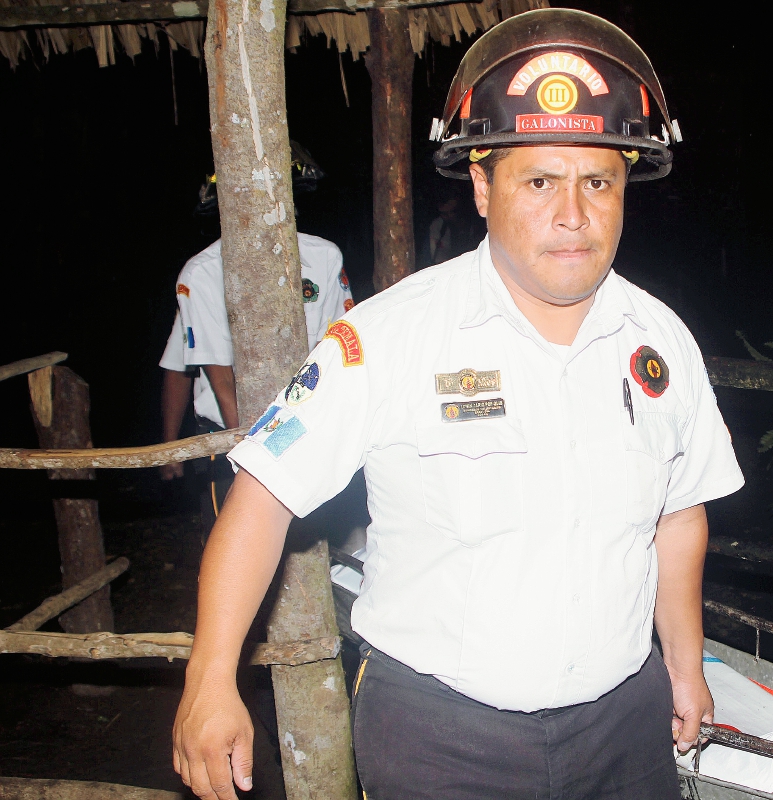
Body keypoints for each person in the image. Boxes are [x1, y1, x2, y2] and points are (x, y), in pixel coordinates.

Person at [171, 9, 743, 800]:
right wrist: (210, 680)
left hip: (623, 724)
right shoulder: (387, 336)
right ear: (481, 185)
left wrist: (684, 668)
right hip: (440, 738)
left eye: (598, 182)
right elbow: (262, 499)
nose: (572, 213)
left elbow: (679, 515)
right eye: (538, 181)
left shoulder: (661, 341)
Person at [159, 144, 353, 535]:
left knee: (318, 552)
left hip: (313, 430)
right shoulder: (202, 274)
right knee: (242, 545)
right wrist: (256, 457)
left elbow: (339, 349)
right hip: (234, 440)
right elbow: (212, 374)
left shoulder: (324, 257)